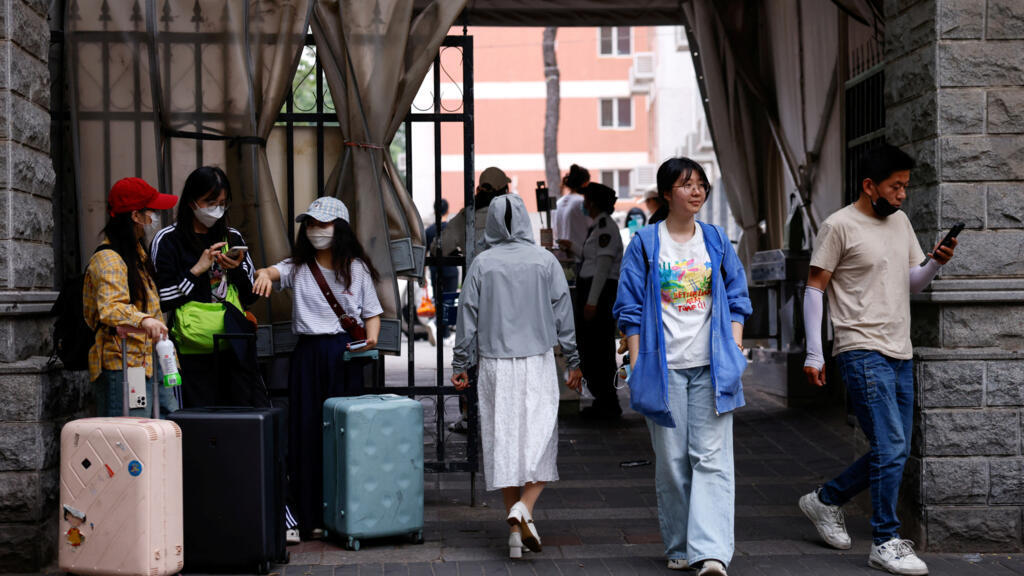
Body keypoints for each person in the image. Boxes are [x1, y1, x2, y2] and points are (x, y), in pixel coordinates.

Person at [798, 144, 956, 576]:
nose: (903, 194)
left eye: (906, 185)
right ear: (870, 186)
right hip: (860, 348)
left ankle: (826, 499)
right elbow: (814, 289)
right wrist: (815, 352)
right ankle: (885, 539)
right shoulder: (838, 226)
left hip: (899, 351)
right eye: (895, 186)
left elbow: (911, 284)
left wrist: (936, 264)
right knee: (890, 447)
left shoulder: (900, 222)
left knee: (895, 449)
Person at [613, 157, 751, 576]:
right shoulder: (646, 243)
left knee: (712, 460)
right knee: (673, 463)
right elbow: (630, 308)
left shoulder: (716, 240)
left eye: (701, 184)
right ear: (666, 193)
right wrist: (638, 366)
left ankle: (710, 553)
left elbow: (737, 294)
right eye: (686, 184)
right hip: (664, 368)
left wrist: (735, 346)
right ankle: (679, 544)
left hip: (711, 367)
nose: (697, 191)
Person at [451, 194, 584, 560]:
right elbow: (564, 314)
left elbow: (467, 317)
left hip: (495, 365)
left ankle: (515, 530)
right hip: (538, 362)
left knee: (504, 443)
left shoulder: (482, 264)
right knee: (542, 441)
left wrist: (460, 362)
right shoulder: (545, 261)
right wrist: (572, 360)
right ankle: (525, 507)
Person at [253, 196, 382, 542]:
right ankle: (309, 516)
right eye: (310, 224)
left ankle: (348, 512)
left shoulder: (355, 268)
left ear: (339, 227)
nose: (315, 231)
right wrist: (263, 274)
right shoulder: (297, 266)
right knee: (307, 433)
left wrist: (369, 342)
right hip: (308, 355)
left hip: (345, 354)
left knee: (346, 434)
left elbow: (371, 312)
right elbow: (271, 272)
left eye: (322, 224)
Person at [151, 166, 265, 408]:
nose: (217, 209)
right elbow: (161, 298)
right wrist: (196, 271)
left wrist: (234, 268)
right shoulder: (168, 240)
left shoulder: (233, 238)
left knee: (240, 418)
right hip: (191, 352)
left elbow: (250, 295)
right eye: (210, 202)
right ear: (192, 202)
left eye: (222, 203)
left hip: (233, 348)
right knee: (198, 422)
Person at [83, 177, 180, 418]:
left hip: (150, 360)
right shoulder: (109, 260)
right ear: (136, 216)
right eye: (152, 211)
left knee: (164, 429)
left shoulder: (137, 255)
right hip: (125, 366)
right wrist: (144, 321)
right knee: (130, 440)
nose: (155, 218)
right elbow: (111, 308)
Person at [576, 183, 625, 420]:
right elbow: (590, 259)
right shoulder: (597, 228)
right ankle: (601, 399)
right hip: (594, 291)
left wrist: (592, 302)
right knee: (592, 349)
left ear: (593, 203)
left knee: (600, 350)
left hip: (600, 293)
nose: (584, 205)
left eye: (586, 200)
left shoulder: (606, 228)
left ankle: (609, 402)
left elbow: (603, 268)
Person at [436, 167, 512, 260]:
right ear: (504, 191)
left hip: (476, 273)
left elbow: (439, 248)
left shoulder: (465, 217)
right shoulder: (512, 214)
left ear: (478, 190)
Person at [424, 198, 459, 345]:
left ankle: (439, 330)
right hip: (450, 270)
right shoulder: (452, 228)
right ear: (447, 210)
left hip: (435, 270)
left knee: (439, 301)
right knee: (449, 301)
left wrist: (423, 274)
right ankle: (444, 333)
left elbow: (424, 253)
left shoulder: (429, 230)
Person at [553, 164, 592, 262]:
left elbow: (555, 234)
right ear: (585, 183)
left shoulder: (558, 204)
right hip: (581, 260)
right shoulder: (583, 203)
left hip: (561, 261)